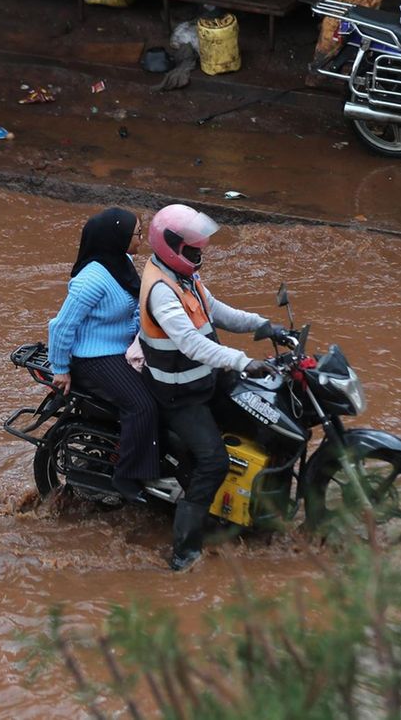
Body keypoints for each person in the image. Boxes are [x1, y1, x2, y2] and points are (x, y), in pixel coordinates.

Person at [138, 203, 283, 572]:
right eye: (192, 248)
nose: (198, 253)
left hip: (204, 378)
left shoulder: (183, 276)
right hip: (179, 393)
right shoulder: (161, 290)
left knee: (262, 412)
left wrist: (263, 325)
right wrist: (242, 360)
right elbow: (191, 343)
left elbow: (215, 309)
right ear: (172, 246)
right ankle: (184, 551)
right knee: (213, 462)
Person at [47, 208, 159, 504]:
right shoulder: (92, 280)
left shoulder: (122, 263)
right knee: (142, 405)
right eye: (137, 234)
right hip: (93, 359)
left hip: (121, 348)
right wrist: (60, 368)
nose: (141, 240)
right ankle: (128, 475)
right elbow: (61, 326)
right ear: (117, 238)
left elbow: (134, 307)